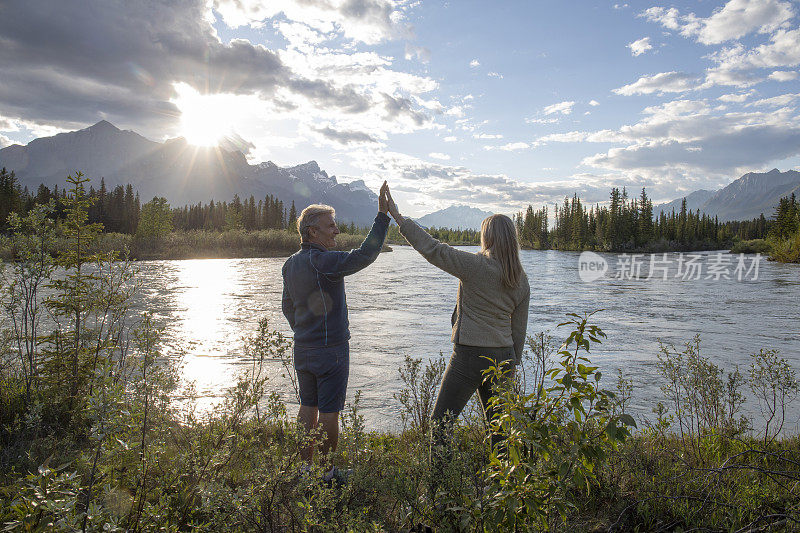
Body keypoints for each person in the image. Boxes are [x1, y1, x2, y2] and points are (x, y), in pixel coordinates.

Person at [384, 185, 529, 470]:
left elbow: (433, 249)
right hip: (504, 358)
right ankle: (505, 487)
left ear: (488, 238)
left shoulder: (475, 266)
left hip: (469, 358)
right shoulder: (521, 279)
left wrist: (399, 218)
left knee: (441, 426)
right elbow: (519, 333)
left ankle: (440, 491)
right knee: (500, 431)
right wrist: (511, 367)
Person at [282, 183, 390, 475]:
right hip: (331, 352)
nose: (337, 231)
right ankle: (328, 473)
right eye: (331, 226)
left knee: (307, 407)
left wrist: (304, 331)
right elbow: (365, 255)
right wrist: (382, 218)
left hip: (302, 349)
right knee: (329, 412)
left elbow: (287, 307)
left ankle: (305, 469)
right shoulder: (324, 261)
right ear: (312, 232)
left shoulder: (290, 264)